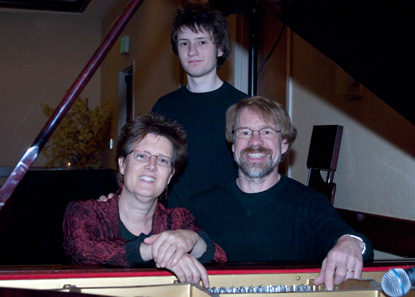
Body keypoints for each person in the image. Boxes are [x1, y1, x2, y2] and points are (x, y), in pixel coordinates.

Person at [188, 96, 374, 290]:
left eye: (267, 132)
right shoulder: (201, 206)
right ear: (233, 144)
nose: (255, 141)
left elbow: (348, 238)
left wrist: (349, 244)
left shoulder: (309, 204)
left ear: (284, 144)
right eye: (245, 132)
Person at [63, 114, 226, 288]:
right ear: (122, 164)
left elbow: (219, 257)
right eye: (141, 156)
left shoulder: (179, 220)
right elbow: (82, 250)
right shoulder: (86, 213)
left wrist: (193, 239)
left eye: (162, 160)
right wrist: (155, 251)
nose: (152, 165)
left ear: (170, 175)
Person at [152, 4, 247, 209]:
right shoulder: (164, 106)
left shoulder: (244, 107)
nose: (192, 51)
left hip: (225, 222)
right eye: (184, 43)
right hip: (174, 223)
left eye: (201, 42)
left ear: (220, 49)